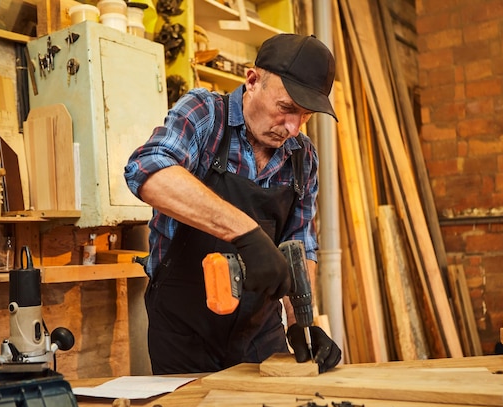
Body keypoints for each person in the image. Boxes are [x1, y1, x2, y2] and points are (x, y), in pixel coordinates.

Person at [124, 33, 342, 375]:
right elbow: (147, 170)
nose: (292, 127)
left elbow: (300, 244)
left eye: (305, 115)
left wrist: (302, 321)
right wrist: (246, 233)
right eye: (285, 108)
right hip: (184, 329)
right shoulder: (205, 115)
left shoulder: (303, 155)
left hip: (260, 331)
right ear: (252, 81)